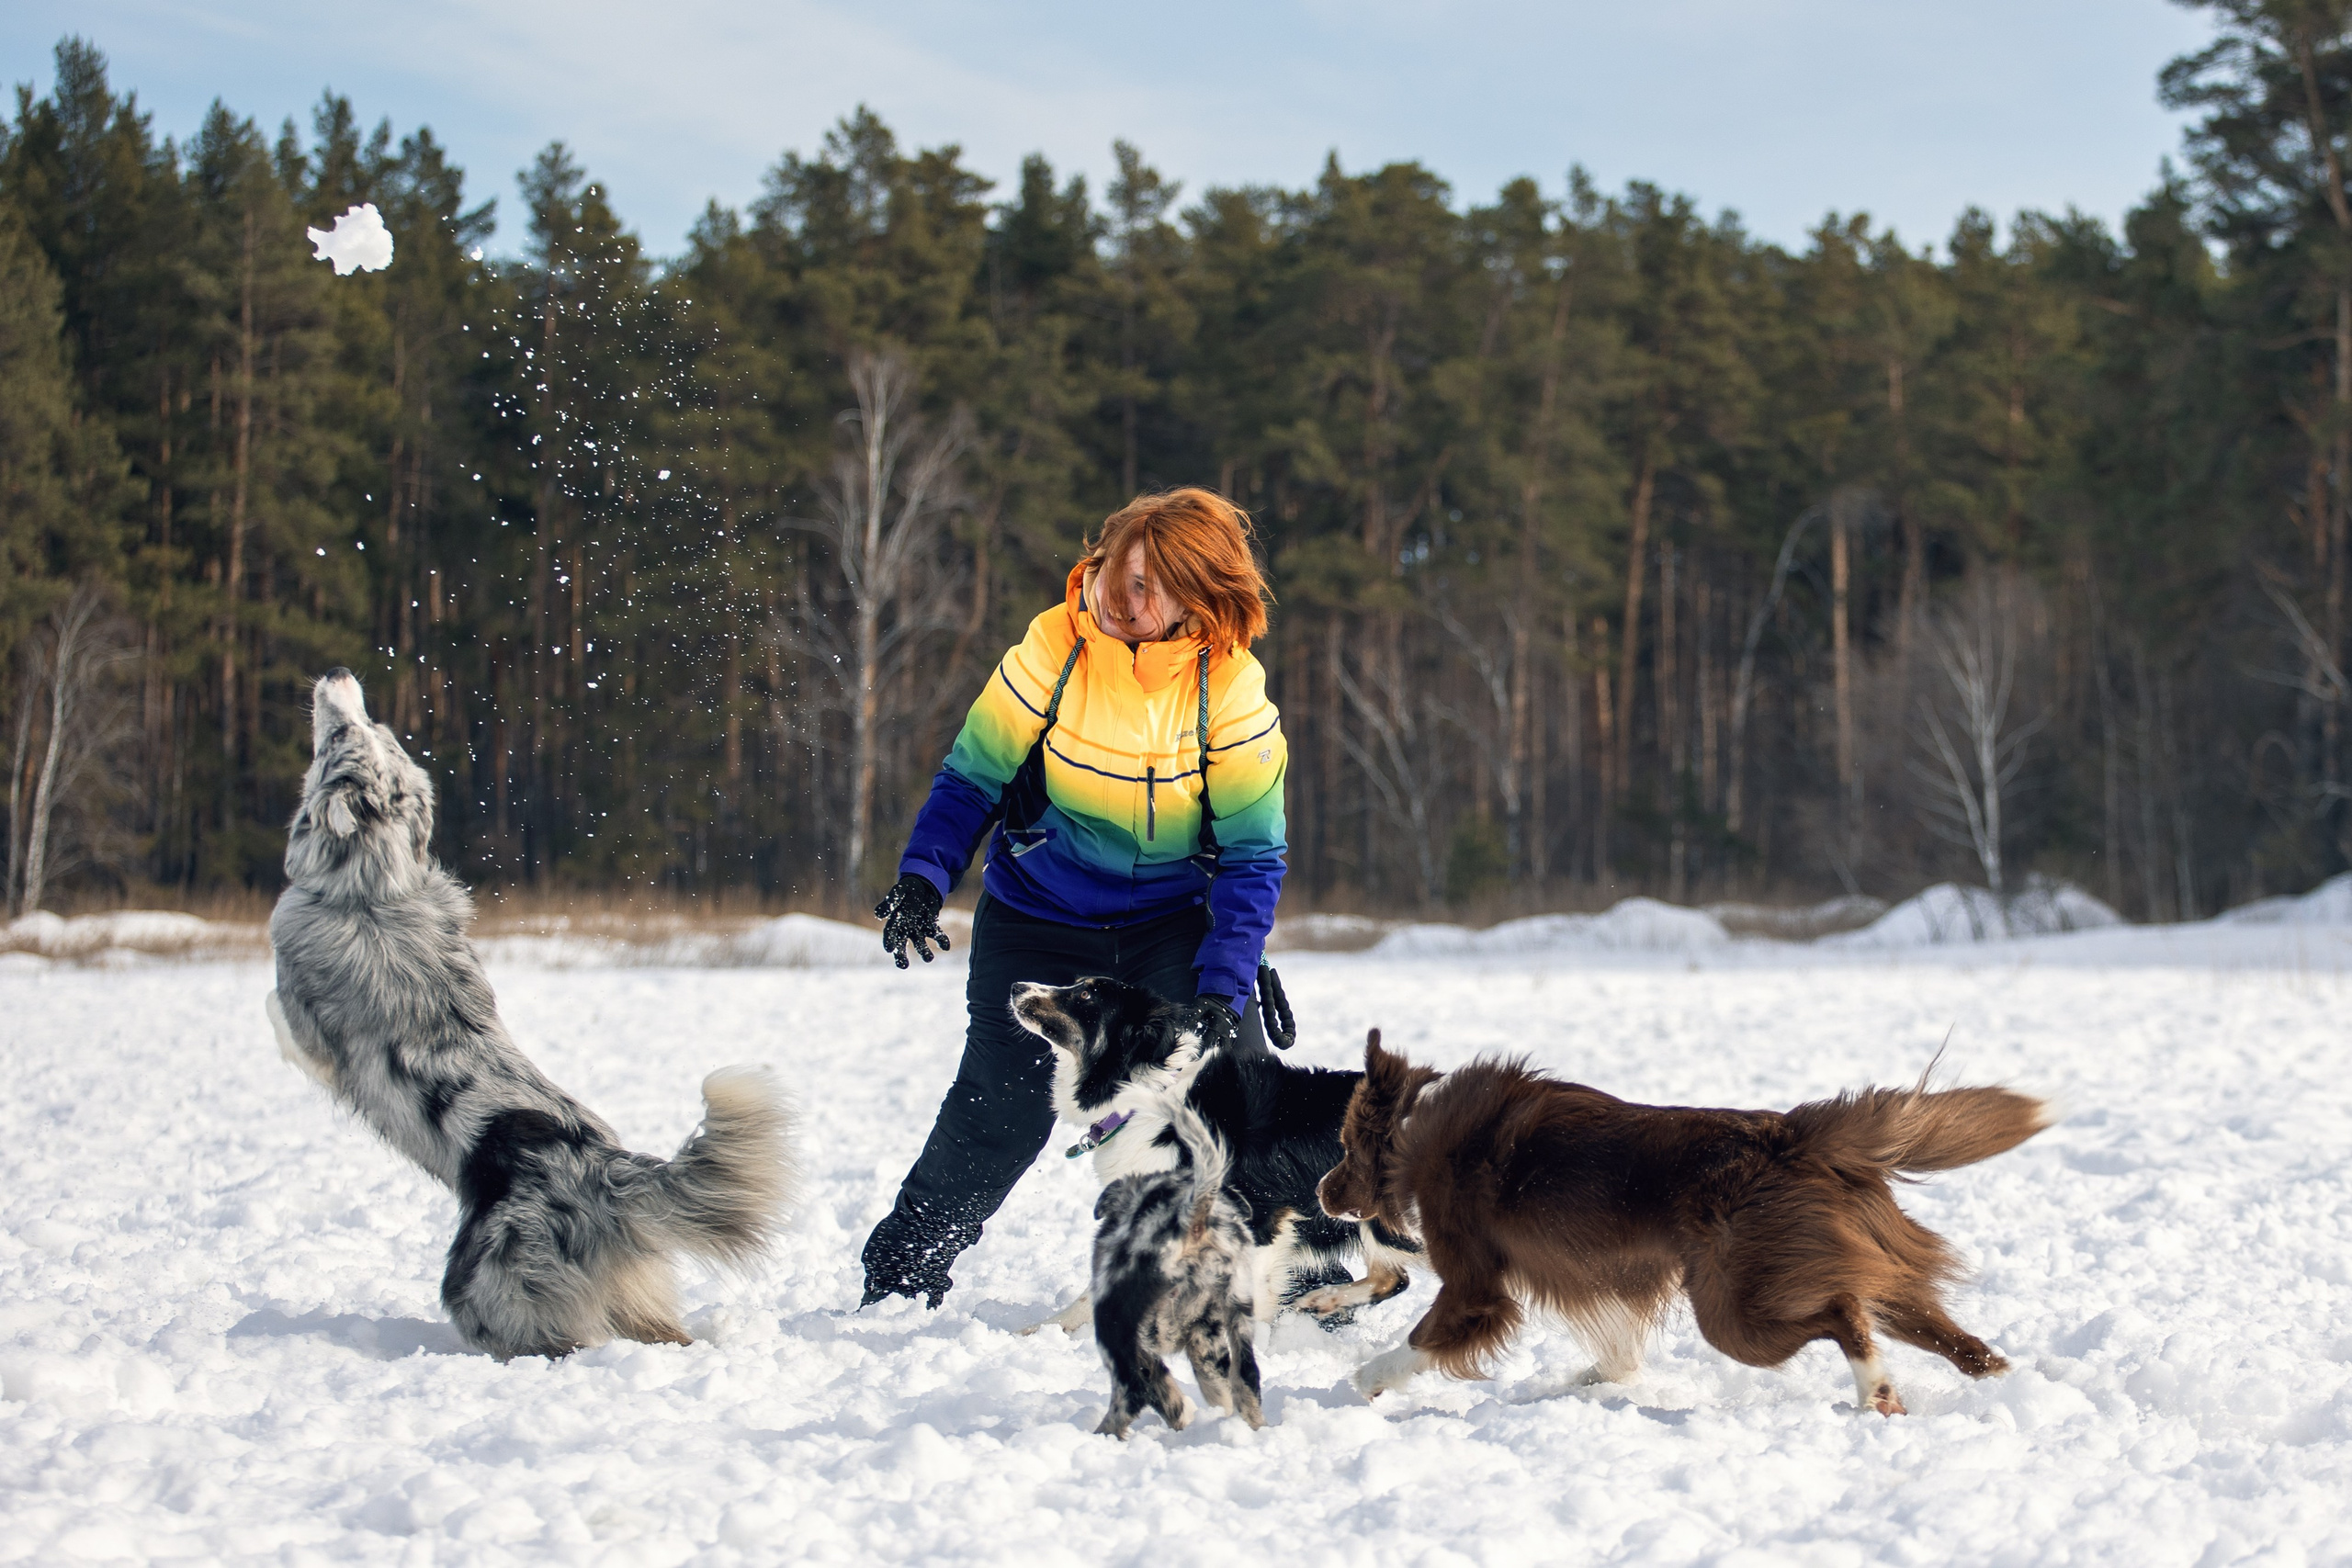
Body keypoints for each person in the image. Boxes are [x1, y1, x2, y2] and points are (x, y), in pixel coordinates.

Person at [860, 488, 1288, 1308]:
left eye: (1150, 587)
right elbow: (973, 776)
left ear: (1198, 599)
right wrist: (924, 874)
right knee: (1003, 1106)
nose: (1124, 601)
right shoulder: (1052, 646)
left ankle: (1292, 1272)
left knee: (1228, 1086)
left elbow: (1251, 856)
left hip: (1169, 923)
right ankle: (903, 1271)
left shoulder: (1229, 690)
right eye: (1118, 577)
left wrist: (1221, 989)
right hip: (1039, 917)